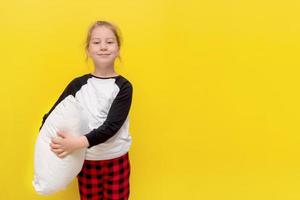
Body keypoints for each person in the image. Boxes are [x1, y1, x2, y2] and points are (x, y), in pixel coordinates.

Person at [41, 20, 133, 200]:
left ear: (118, 49)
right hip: (86, 162)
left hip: (116, 159)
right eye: (96, 42)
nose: (103, 47)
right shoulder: (78, 85)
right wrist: (46, 140)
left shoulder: (124, 87)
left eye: (110, 42)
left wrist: (75, 143)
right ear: (88, 50)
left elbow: (111, 127)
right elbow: (51, 116)